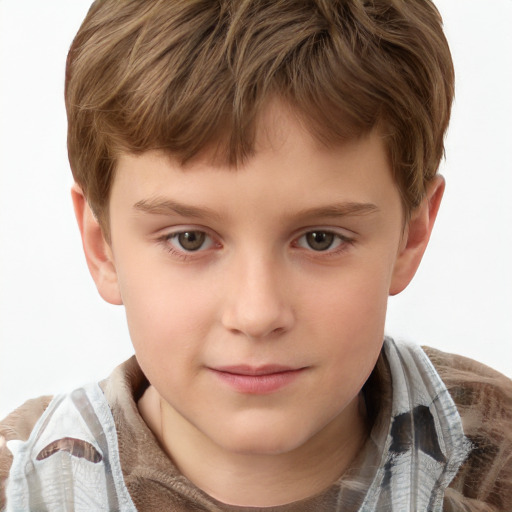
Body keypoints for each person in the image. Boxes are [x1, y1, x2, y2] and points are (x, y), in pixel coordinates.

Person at [1, 0, 511, 510]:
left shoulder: (497, 458)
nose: (257, 313)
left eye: (320, 239)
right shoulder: (21, 486)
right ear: (101, 245)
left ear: (411, 235)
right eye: (190, 239)